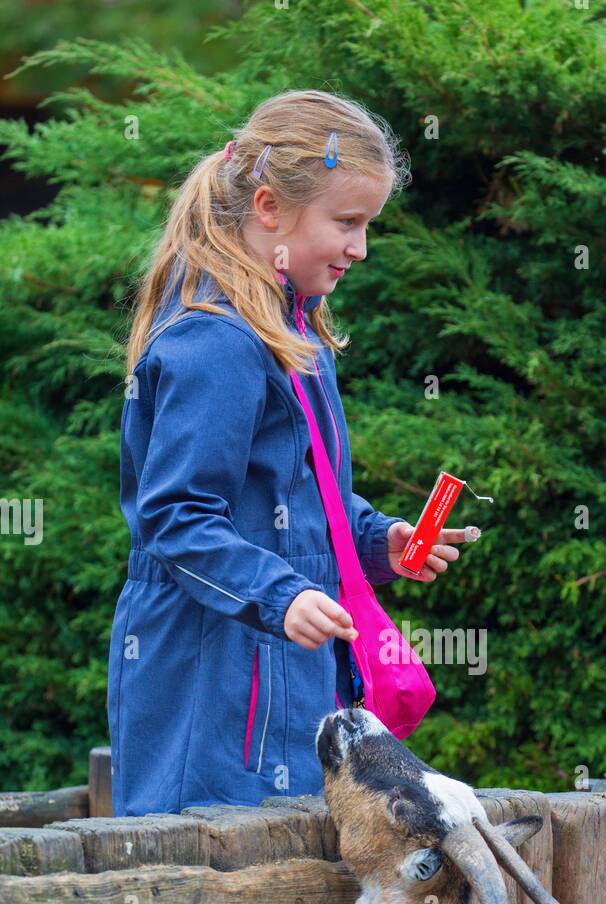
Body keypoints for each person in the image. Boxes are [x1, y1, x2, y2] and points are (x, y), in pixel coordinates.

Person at [107, 89, 469, 815]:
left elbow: (301, 499)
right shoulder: (216, 341)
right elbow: (176, 517)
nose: (360, 248)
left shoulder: (289, 334)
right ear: (269, 207)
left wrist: (376, 542)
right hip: (213, 676)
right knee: (207, 887)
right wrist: (280, 593)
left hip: (286, 666)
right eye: (347, 222)